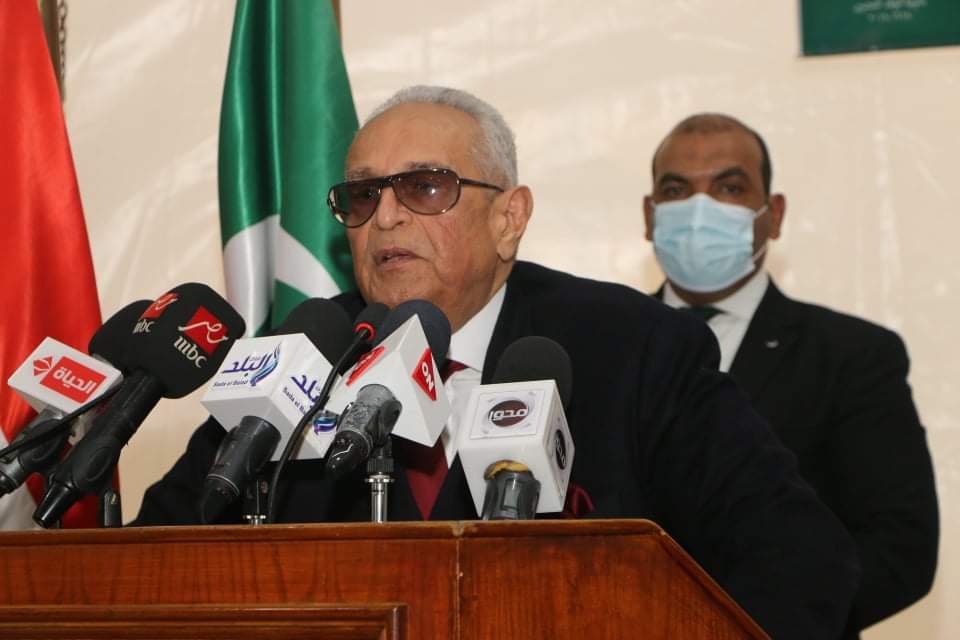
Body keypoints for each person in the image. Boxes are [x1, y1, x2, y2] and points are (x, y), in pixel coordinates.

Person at [134, 87, 860, 638]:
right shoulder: (304, 356)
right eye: (362, 195)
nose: (385, 217)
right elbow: (148, 564)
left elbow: (801, 560)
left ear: (509, 219)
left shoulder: (633, 346)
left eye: (423, 187)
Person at [643, 113, 938, 639]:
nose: (699, 209)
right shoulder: (600, 344)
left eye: (729, 187)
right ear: (650, 215)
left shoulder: (852, 356)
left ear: (773, 214)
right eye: (676, 190)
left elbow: (900, 546)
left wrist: (745, 628)